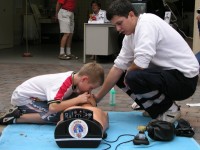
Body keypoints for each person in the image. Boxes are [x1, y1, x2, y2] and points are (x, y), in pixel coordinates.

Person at [94, 0, 199, 123]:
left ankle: (170, 109)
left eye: (120, 23)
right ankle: (156, 109)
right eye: (115, 25)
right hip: (171, 75)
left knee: (132, 77)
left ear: (131, 15)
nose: (118, 29)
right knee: (122, 76)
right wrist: (97, 98)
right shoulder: (129, 36)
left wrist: (128, 76)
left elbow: (141, 63)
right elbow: (118, 67)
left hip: (185, 80)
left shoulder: (147, 24)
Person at [0, 62, 105, 125]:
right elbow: (53, 107)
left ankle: (21, 112)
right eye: (91, 88)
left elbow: (64, 100)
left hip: (36, 99)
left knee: (63, 110)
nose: (90, 91)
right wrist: (78, 99)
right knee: (56, 115)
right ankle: (14, 118)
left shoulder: (74, 80)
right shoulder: (64, 83)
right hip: (24, 98)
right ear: (84, 79)